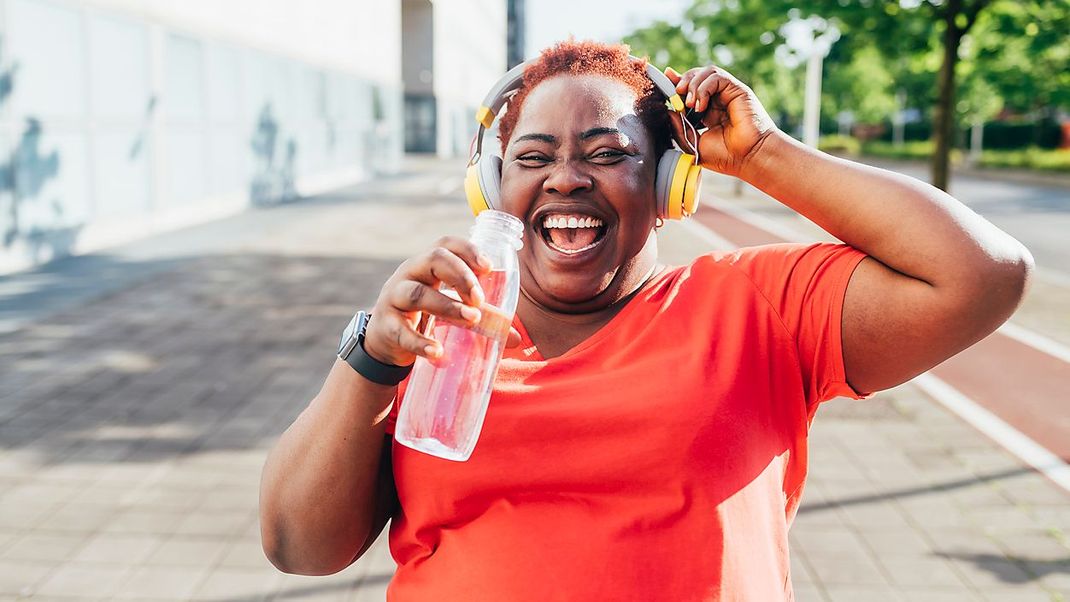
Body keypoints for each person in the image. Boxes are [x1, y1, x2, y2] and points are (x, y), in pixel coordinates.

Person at [259, 40, 1033, 600]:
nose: (566, 176)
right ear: (492, 186)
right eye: (532, 157)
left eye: (607, 153)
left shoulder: (756, 308)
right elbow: (297, 546)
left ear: (671, 186)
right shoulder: (437, 329)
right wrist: (369, 362)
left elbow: (980, 275)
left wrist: (764, 154)